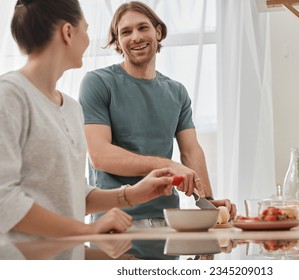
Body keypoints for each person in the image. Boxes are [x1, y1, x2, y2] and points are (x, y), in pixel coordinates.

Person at [0, 0, 177, 241]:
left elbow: (74, 198)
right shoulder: (9, 95)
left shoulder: (71, 108)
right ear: (68, 32)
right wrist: (87, 231)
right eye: (86, 27)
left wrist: (132, 194)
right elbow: (4, 201)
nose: (88, 38)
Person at [79, 1, 236, 226]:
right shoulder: (98, 83)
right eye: (126, 32)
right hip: (114, 223)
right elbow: (100, 155)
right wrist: (168, 166)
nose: (135, 37)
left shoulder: (177, 91)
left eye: (143, 27)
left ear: (158, 31)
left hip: (168, 222)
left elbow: (191, 150)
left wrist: (208, 201)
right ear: (117, 41)